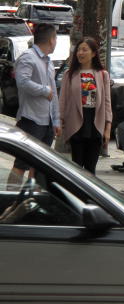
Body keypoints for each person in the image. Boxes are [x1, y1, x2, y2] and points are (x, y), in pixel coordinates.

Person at [7, 24, 61, 188]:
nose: (56, 42)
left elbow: (54, 94)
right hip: (31, 119)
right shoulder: (28, 57)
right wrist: (43, 90)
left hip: (47, 122)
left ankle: (30, 199)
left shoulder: (48, 62)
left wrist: (56, 120)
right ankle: (9, 197)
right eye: (56, 38)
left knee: (38, 166)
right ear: (51, 40)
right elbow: (22, 82)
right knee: (21, 164)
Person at [59, 37, 112, 174]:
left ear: (93, 53)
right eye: (78, 50)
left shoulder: (102, 75)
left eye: (84, 50)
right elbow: (62, 101)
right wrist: (60, 122)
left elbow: (107, 102)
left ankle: (89, 195)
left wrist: (107, 128)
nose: (80, 53)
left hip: (95, 122)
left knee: (91, 169)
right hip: (76, 123)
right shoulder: (69, 75)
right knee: (76, 168)